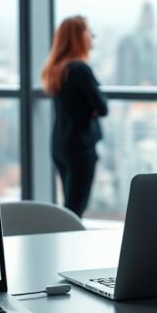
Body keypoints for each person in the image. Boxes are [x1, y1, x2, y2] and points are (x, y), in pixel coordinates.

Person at [41, 16, 108, 218]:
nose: (92, 37)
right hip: (81, 147)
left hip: (61, 145)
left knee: (69, 204)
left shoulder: (55, 70)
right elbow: (102, 107)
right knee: (75, 210)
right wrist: (91, 109)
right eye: (89, 32)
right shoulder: (80, 70)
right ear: (79, 37)